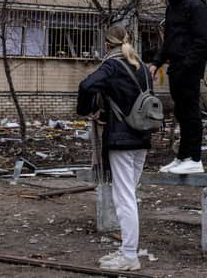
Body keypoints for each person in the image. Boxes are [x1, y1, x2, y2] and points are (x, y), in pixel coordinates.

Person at [77, 26, 151, 272]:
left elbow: (86, 85)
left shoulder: (112, 65)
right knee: (129, 197)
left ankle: (130, 256)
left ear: (108, 45)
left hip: (121, 140)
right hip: (142, 138)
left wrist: (85, 110)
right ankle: (127, 250)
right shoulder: (141, 66)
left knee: (125, 199)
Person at [149, 0, 207, 174]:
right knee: (182, 113)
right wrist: (156, 63)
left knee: (191, 112)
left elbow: (202, 41)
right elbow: (169, 42)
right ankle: (183, 156)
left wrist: (186, 65)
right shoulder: (173, 8)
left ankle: (194, 158)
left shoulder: (196, 5)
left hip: (189, 69)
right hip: (176, 68)